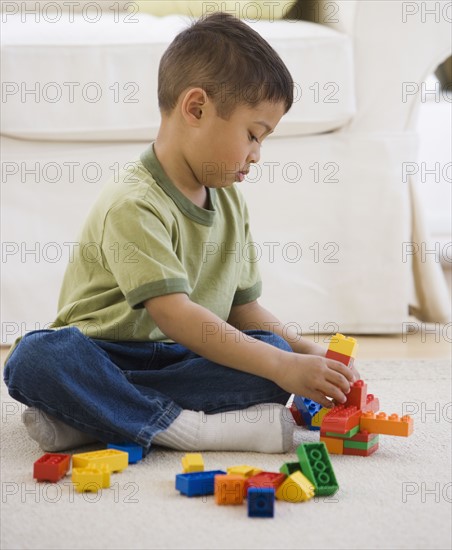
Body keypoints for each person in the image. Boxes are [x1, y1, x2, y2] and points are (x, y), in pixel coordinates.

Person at [3, 12, 358, 455]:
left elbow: (243, 311)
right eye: (253, 134)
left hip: (178, 363)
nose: (257, 155)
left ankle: (95, 419)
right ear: (196, 108)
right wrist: (282, 364)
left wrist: (304, 355)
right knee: (35, 360)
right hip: (106, 357)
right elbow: (175, 315)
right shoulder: (134, 202)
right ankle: (188, 430)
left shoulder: (229, 201)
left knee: (265, 353)